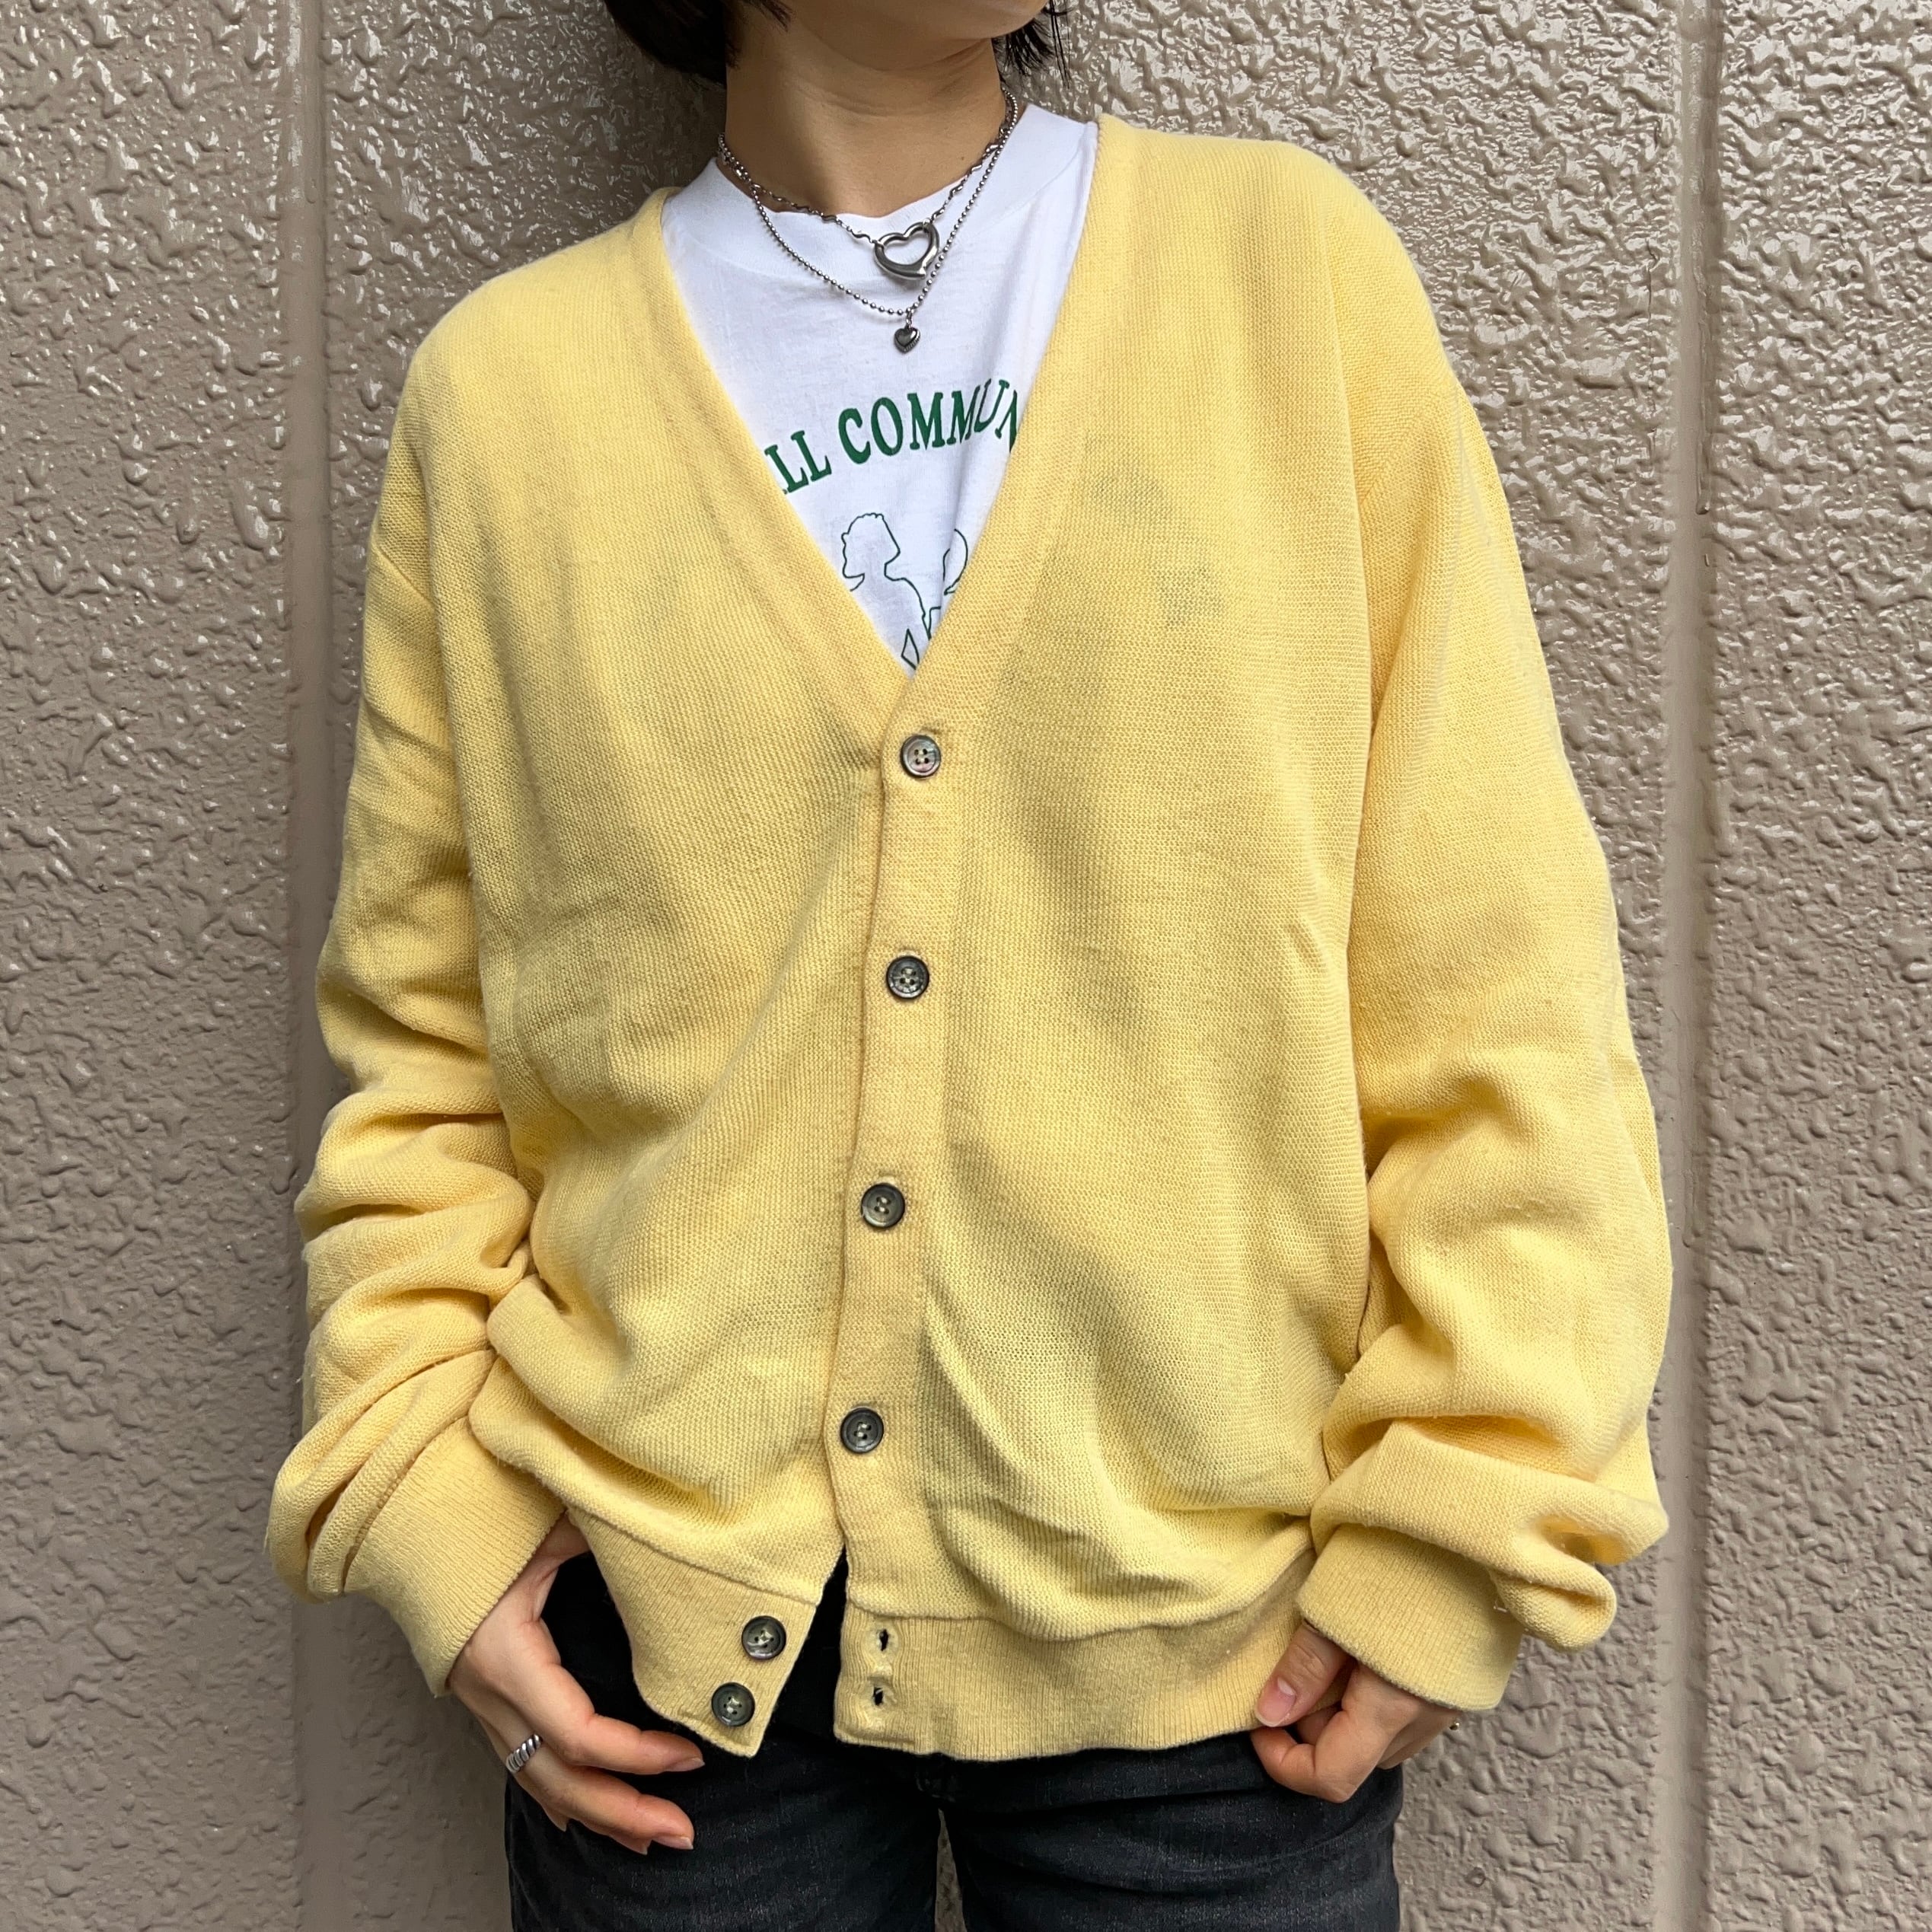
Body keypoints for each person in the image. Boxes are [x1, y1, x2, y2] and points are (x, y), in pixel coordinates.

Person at [265, 2, 1674, 1925]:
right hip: (660, 1642)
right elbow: (428, 1052)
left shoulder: (1288, 282)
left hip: (1216, 1652)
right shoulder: (510, 399)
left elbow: (1493, 961)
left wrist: (1479, 1502)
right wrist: (431, 1494)